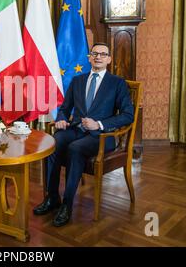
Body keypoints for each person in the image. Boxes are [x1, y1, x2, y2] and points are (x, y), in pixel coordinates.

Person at [33, 43, 134, 227]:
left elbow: (128, 115)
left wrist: (100, 124)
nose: (98, 57)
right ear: (89, 57)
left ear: (109, 59)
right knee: (52, 143)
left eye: (103, 54)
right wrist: (62, 119)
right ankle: (52, 197)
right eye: (94, 53)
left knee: (75, 149)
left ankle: (67, 204)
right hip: (76, 130)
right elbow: (64, 108)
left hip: (102, 137)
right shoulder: (77, 81)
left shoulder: (117, 83)